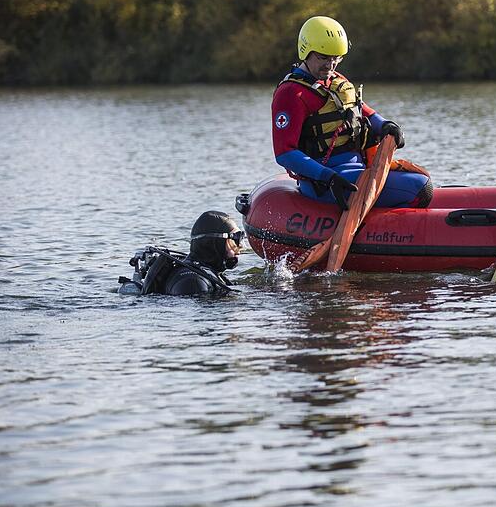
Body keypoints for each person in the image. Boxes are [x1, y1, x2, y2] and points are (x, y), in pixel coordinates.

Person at [271, 15, 432, 209]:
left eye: (336, 58)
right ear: (305, 51)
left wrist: (386, 125)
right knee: (420, 187)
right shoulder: (290, 93)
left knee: (419, 177)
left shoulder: (335, 81)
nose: (330, 65)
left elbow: (364, 112)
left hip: (358, 170)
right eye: (323, 58)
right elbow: (284, 153)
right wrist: (328, 177)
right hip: (325, 182)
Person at [118, 211, 242, 296]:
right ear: (214, 244)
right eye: (234, 241)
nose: (240, 246)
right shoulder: (193, 282)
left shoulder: (204, 273)